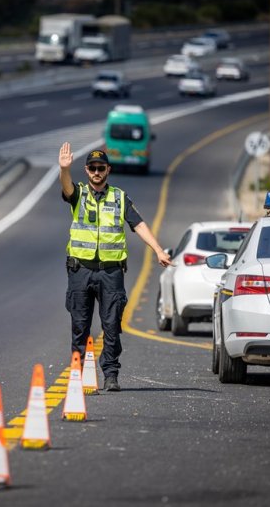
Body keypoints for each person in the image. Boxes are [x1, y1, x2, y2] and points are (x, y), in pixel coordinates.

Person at [59, 142, 172, 391]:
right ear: (87, 171)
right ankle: (77, 374)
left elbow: (139, 224)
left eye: (100, 168)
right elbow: (66, 189)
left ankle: (111, 374)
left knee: (111, 325)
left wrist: (158, 249)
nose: (96, 172)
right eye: (92, 168)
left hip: (111, 272)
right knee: (80, 325)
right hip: (81, 270)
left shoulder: (119, 197)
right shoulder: (79, 194)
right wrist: (64, 169)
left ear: (108, 170)